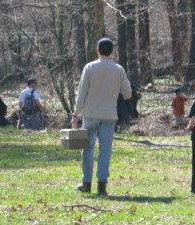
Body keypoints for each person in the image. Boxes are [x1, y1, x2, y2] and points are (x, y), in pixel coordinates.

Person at [71, 37, 132, 196]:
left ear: (97, 51)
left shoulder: (89, 67)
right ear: (112, 52)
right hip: (109, 115)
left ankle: (86, 183)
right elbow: (127, 93)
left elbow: (82, 92)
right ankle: (102, 187)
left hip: (90, 113)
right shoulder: (119, 69)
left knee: (88, 149)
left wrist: (76, 114)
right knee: (105, 150)